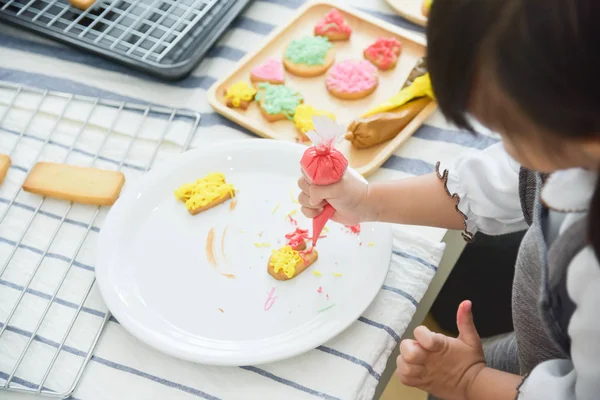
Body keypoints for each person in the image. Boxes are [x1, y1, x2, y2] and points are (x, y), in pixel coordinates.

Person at [297, 0, 600, 399]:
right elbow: (509, 180)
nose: (505, 149)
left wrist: (467, 382)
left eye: (508, 133)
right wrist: (367, 200)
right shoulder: (575, 139)